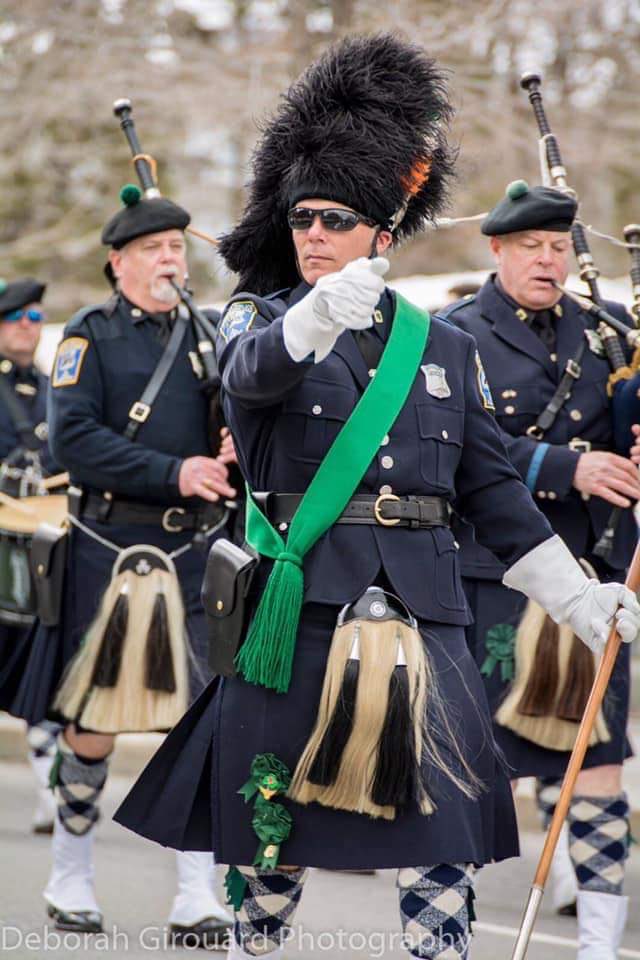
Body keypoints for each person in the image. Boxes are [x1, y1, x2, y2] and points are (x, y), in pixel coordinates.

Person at [113, 35, 640, 960]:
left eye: (337, 219)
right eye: (303, 219)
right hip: (304, 611)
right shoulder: (264, 319)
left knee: (440, 858)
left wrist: (576, 597)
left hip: (427, 619)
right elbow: (251, 379)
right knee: (273, 856)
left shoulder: (443, 347)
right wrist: (312, 317)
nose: (314, 234)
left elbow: (490, 490)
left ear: (382, 236)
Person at [3, 187, 237, 946]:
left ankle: (197, 891)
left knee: (202, 725)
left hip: (196, 553)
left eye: (177, 247)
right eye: (153, 250)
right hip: (112, 549)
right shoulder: (88, 338)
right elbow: (72, 442)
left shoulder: (209, 334)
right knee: (94, 727)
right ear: (119, 262)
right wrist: (177, 472)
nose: (171, 260)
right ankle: (71, 871)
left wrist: (231, 448)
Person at [444, 181, 637, 956]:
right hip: (494, 581)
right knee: (473, 770)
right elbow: (456, 449)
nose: (548, 260)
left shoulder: (609, 333)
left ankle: (598, 943)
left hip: (592, 584)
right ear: (497, 251)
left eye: (559, 246)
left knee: (598, 766)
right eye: (531, 247)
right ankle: (445, 934)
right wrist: (566, 466)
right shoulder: (455, 336)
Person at [0, 277, 62, 834]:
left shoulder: (55, 389)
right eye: (15, 316)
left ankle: (50, 790)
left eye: (35, 317)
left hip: (41, 547)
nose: (26, 326)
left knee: (41, 667)